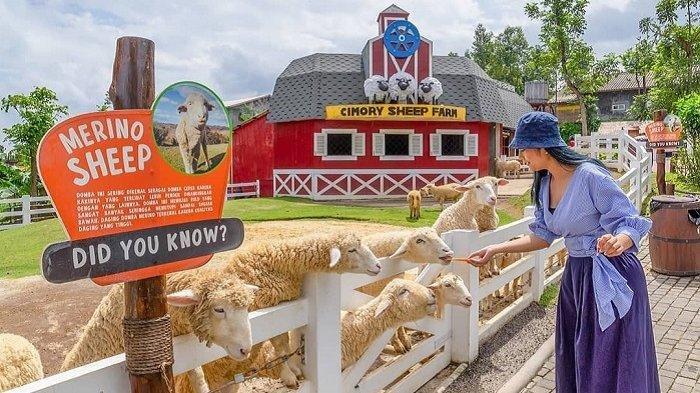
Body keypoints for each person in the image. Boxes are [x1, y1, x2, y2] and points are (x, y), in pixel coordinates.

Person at [467, 112, 660, 393]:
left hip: (611, 273)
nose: (522, 157)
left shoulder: (590, 176)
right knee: (579, 350)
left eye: (524, 150)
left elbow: (628, 220)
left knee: (610, 352)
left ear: (542, 148)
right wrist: (496, 249)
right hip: (577, 275)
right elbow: (543, 235)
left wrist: (621, 240)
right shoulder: (544, 184)